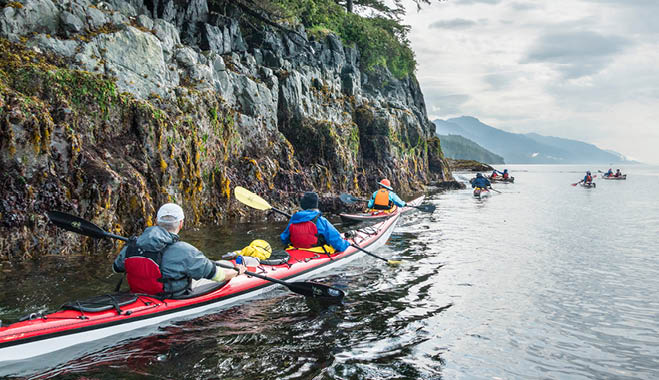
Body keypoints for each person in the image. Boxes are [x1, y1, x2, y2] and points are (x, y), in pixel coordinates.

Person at [113, 203, 246, 297]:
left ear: (156, 221)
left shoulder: (132, 245)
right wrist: (237, 271)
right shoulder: (186, 251)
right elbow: (218, 276)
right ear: (181, 223)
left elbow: (116, 268)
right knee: (223, 268)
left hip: (139, 294)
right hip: (170, 297)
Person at [280, 192, 350, 253]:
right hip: (317, 252)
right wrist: (347, 244)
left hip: (296, 251)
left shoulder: (294, 219)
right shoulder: (321, 220)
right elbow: (337, 243)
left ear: (303, 205)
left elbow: (284, 238)